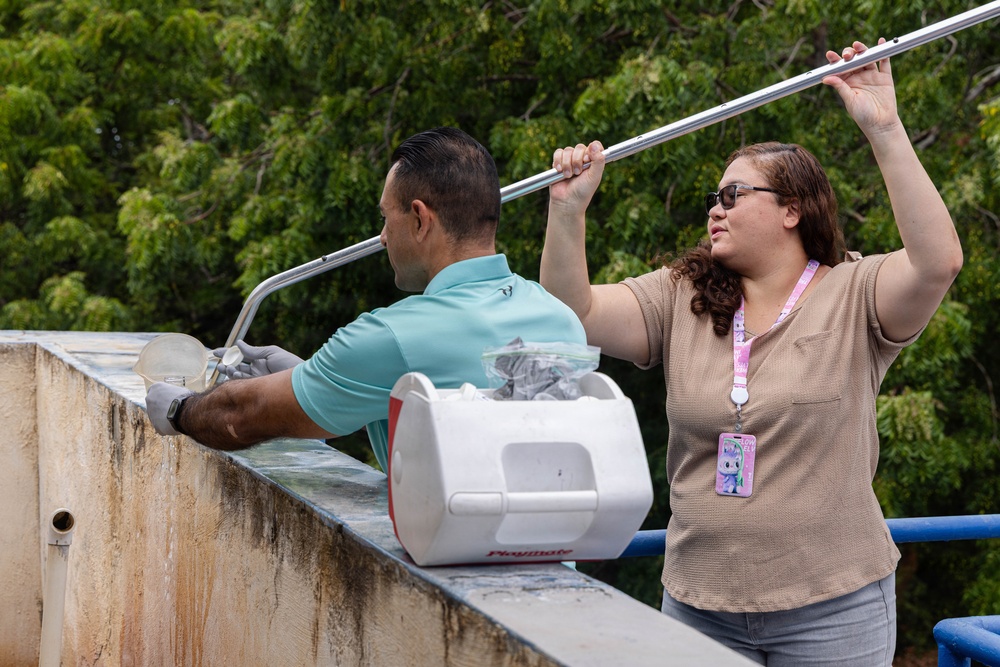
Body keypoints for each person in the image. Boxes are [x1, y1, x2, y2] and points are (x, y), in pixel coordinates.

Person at [540, 40, 962, 666]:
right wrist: (568, 210)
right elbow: (572, 315)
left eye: (734, 196)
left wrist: (885, 129)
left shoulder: (855, 290)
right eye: (714, 197)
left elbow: (939, 263)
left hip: (834, 609)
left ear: (792, 210)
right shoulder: (680, 295)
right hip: (698, 607)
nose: (715, 209)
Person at [145, 127, 587, 472]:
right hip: (555, 577)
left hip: (443, 581)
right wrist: (307, 376)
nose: (382, 236)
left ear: (418, 218)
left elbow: (242, 415)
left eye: (385, 217)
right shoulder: (561, 319)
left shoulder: (393, 336)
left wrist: (179, 409)